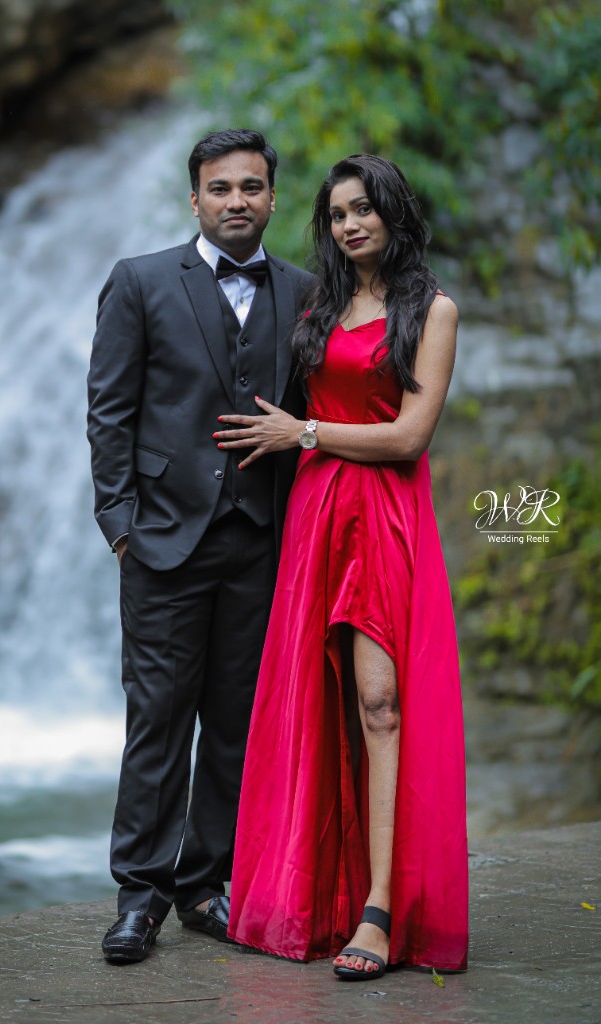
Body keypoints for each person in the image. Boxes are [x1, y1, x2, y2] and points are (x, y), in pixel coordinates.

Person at [216, 154, 469, 976]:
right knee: (314, 703)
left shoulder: (433, 311)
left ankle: (380, 911)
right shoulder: (318, 305)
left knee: (380, 703)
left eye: (364, 208)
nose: (351, 224)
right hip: (317, 514)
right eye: (337, 214)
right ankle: (315, 897)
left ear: (394, 211)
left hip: (385, 512)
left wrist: (306, 433)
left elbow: (409, 436)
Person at [87, 128, 312, 964]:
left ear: (272, 198)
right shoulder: (141, 281)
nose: (236, 201)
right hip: (161, 542)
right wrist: (121, 526)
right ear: (195, 199)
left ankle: (204, 884)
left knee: (235, 724)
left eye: (251, 187)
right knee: (157, 719)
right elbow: (109, 409)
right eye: (220, 188)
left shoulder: (305, 291)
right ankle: (139, 896)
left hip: (260, 543)